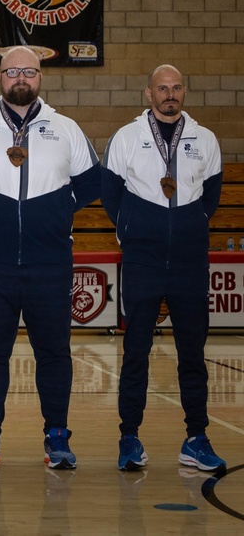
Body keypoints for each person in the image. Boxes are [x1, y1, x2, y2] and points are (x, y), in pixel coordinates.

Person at [0, 46, 100, 469]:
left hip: (50, 263)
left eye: (29, 71)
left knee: (54, 352)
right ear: (0, 77)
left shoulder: (65, 127)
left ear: (40, 76)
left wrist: (58, 209)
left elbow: (91, 181)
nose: (21, 78)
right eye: (13, 72)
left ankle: (57, 435)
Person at [102, 65, 226, 473]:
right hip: (143, 260)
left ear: (184, 92)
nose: (169, 95)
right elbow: (110, 196)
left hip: (190, 263)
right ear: (148, 94)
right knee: (136, 351)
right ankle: (129, 437)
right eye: (162, 89)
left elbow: (210, 198)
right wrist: (138, 233)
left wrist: (186, 230)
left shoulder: (205, 139)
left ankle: (196, 438)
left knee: (193, 354)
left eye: (175, 88)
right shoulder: (126, 137)